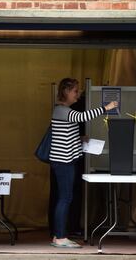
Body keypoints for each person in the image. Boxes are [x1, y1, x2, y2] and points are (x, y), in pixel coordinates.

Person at [49, 78, 118, 248]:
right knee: (65, 198)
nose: (77, 94)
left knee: (65, 198)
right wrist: (106, 108)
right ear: (65, 91)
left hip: (65, 160)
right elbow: (82, 116)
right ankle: (60, 237)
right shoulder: (61, 110)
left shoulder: (63, 111)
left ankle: (59, 235)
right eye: (75, 91)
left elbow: (63, 134)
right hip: (64, 161)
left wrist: (79, 138)